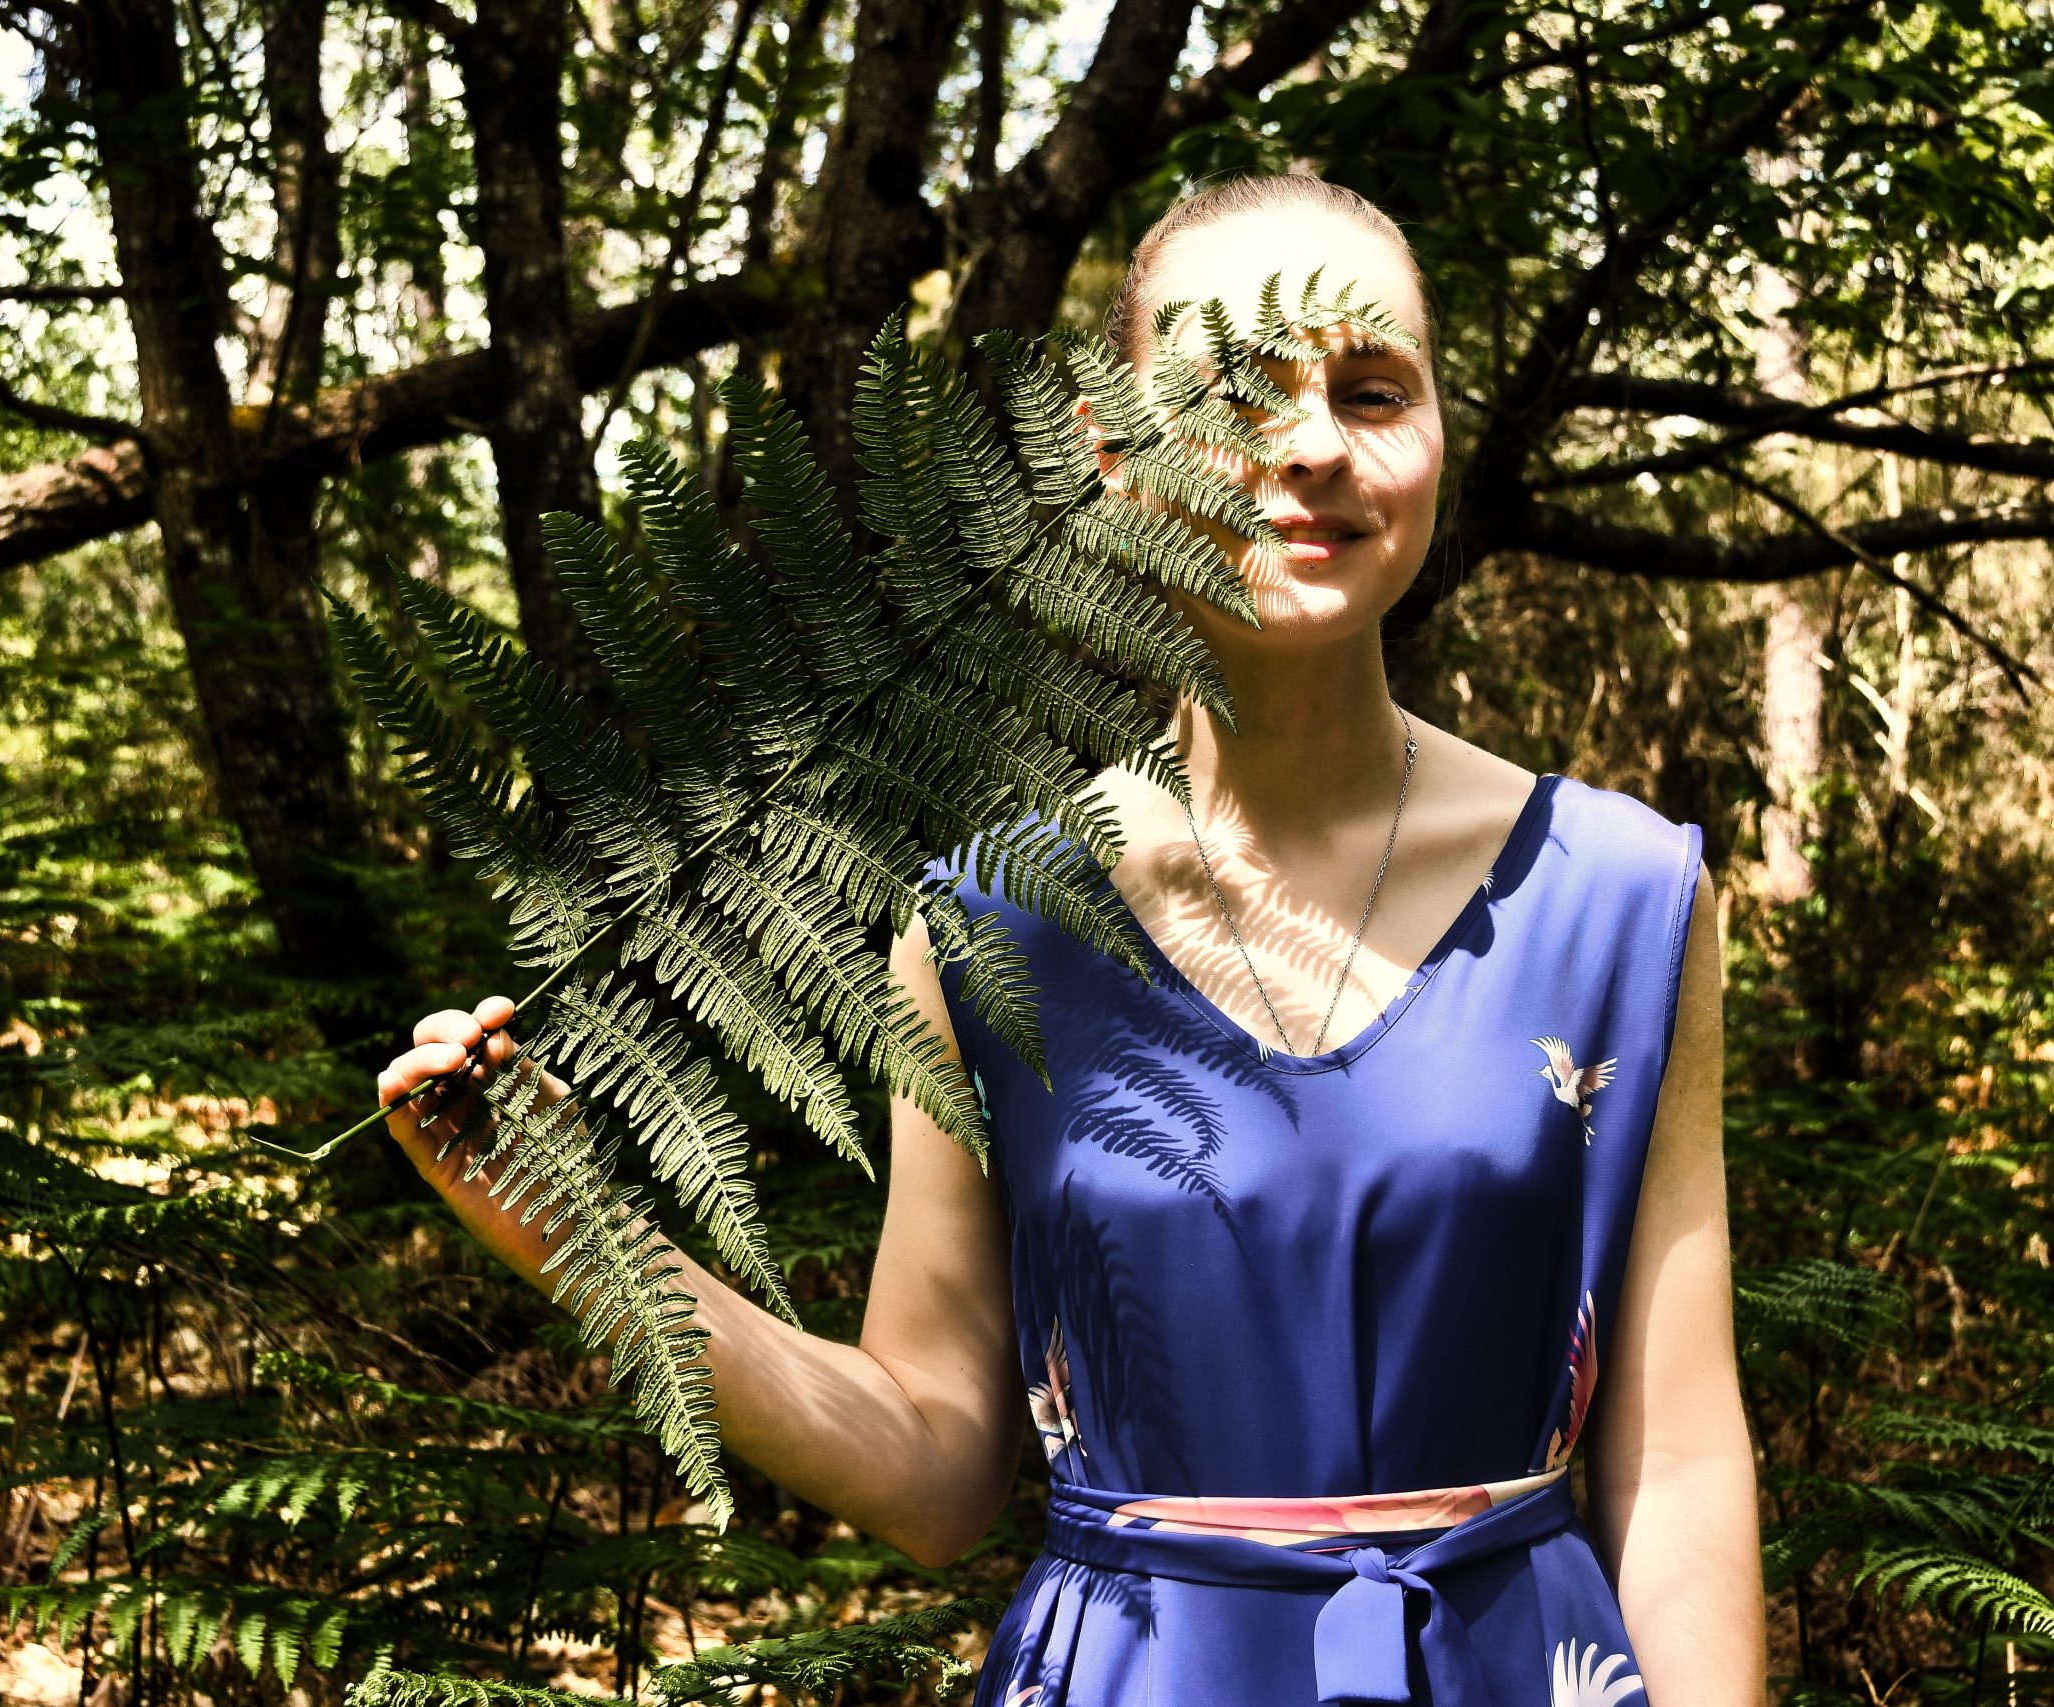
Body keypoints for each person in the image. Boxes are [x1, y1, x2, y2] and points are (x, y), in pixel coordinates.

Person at [380, 173, 1763, 1706]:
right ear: (1109, 454)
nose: (1314, 444)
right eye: (1239, 392)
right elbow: (933, 1464)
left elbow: (1679, 1454)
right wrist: (592, 1239)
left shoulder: (1620, 899)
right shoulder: (991, 923)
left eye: (1376, 391)